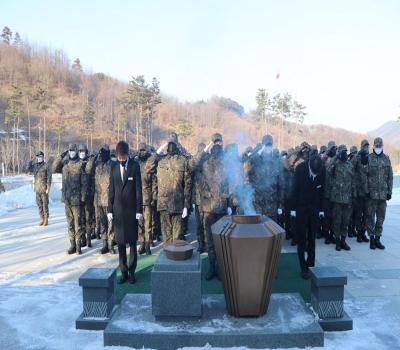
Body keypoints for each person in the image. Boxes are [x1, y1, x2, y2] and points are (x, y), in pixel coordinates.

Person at [108, 141, 143, 284]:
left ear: (127, 154)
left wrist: (139, 210)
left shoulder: (135, 167)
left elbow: (138, 190)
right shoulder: (114, 167)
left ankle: (132, 271)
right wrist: (109, 209)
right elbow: (111, 190)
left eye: (123, 157)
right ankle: (123, 272)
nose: (121, 159)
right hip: (118, 212)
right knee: (121, 244)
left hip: (131, 212)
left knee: (133, 243)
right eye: (119, 157)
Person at [200, 142, 232, 280]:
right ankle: (213, 267)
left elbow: (230, 186)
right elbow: (194, 168)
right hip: (209, 207)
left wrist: (229, 203)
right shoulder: (205, 164)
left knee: (217, 240)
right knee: (212, 240)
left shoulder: (226, 166)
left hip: (219, 208)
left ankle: (218, 268)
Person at [290, 155, 324, 279]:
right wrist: (292, 209)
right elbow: (294, 190)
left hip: (314, 208)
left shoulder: (321, 169)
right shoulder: (300, 169)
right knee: (302, 239)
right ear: (309, 166)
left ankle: (311, 265)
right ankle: (303, 267)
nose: (315, 176)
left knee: (312, 237)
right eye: (313, 174)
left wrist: (321, 209)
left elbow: (322, 191)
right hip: (300, 208)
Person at [154, 139, 192, 246]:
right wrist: (158, 151)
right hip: (165, 204)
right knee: (167, 237)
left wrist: (186, 205)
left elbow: (187, 185)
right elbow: (149, 167)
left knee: (177, 237)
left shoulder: (182, 161)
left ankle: (174, 258)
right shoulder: (160, 161)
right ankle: (168, 258)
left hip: (177, 203)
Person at [53, 144, 85, 254]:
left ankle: (79, 245)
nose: (72, 152)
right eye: (70, 150)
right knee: (70, 223)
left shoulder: (81, 164)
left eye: (73, 150)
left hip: (77, 200)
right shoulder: (65, 165)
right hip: (67, 199)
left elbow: (84, 183)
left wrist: (83, 196)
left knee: (78, 224)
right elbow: (53, 168)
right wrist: (61, 155)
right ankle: (72, 245)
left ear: (76, 151)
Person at [245, 134, 284, 222]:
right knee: (258, 232)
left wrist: (281, 205)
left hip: (272, 206)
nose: (268, 148)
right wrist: (257, 153)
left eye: (270, 145)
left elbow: (281, 186)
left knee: (272, 232)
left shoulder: (277, 161)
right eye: (266, 145)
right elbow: (246, 166)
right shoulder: (255, 160)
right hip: (258, 206)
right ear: (262, 146)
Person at [363, 137, 393, 250]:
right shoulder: (368, 159)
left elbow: (390, 176)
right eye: (377, 146)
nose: (378, 148)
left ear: (382, 146)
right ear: (373, 146)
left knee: (381, 218)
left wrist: (389, 191)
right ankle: (371, 239)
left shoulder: (386, 159)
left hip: (383, 195)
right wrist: (366, 191)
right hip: (372, 194)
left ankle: (377, 239)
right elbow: (364, 176)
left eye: (380, 146)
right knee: (370, 217)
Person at [328, 145, 355, 251]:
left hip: (347, 198)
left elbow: (352, 180)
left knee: (346, 221)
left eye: (345, 152)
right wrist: (335, 157)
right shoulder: (335, 164)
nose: (344, 154)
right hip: (337, 198)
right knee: (337, 221)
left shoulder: (349, 164)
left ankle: (344, 241)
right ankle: (338, 241)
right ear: (339, 153)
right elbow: (328, 170)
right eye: (342, 152)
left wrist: (353, 195)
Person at [136, 143, 157, 255]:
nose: (142, 152)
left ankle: (148, 244)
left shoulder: (150, 165)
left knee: (148, 223)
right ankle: (142, 243)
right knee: (140, 224)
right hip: (137, 199)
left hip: (148, 199)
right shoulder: (135, 164)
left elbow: (154, 182)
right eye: (140, 150)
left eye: (144, 150)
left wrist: (154, 197)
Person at [94, 145, 115, 254]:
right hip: (99, 201)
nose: (101, 156)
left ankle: (111, 244)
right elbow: (96, 186)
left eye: (103, 154)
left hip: (110, 201)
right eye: (100, 154)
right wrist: (95, 200)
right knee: (103, 223)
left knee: (111, 224)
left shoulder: (113, 166)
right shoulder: (98, 167)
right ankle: (104, 244)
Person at [28, 151, 51, 226]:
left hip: (44, 188)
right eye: (38, 157)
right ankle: (42, 218)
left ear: (43, 157)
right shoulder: (35, 166)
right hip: (37, 188)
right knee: (39, 205)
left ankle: (46, 219)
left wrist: (48, 187)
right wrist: (31, 160)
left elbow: (49, 177)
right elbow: (28, 169)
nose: (39, 158)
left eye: (40, 156)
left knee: (45, 204)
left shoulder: (46, 165)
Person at [354, 140, 370, 243]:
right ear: (361, 146)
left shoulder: (370, 158)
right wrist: (358, 155)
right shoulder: (357, 158)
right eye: (364, 146)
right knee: (358, 214)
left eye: (367, 146)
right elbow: (351, 165)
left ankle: (363, 232)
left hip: (368, 192)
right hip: (359, 191)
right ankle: (359, 233)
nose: (366, 148)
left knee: (367, 214)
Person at [78, 144, 95, 248]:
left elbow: (93, 178)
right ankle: (83, 238)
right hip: (79, 196)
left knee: (88, 218)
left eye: (83, 151)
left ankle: (88, 238)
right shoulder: (76, 163)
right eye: (80, 151)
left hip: (88, 195)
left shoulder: (91, 162)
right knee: (81, 219)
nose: (81, 153)